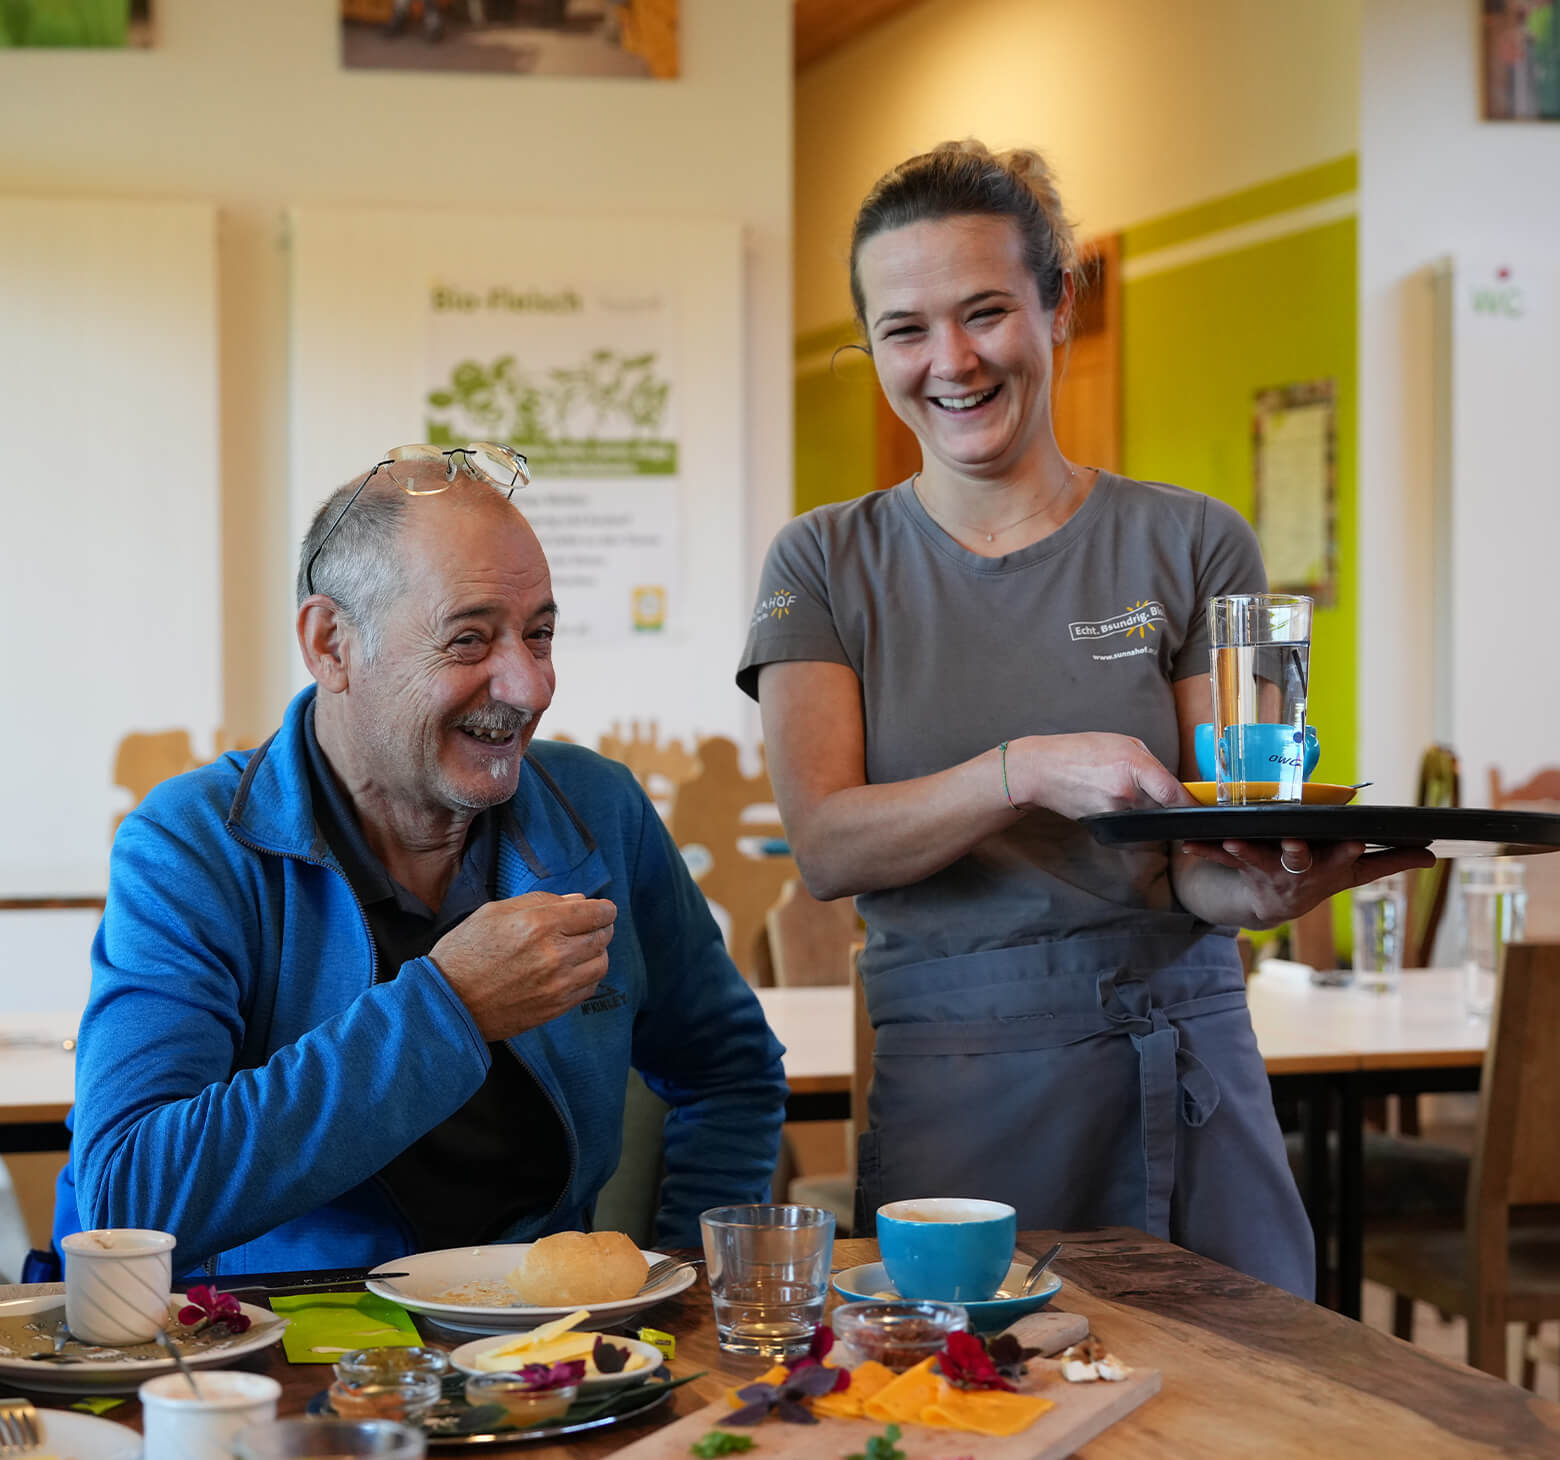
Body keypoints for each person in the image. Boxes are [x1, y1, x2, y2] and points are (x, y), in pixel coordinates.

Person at [737, 141, 1432, 1299]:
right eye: (905, 329)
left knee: (1250, 1397)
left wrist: (1253, 891)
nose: (949, 361)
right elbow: (828, 844)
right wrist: (1020, 770)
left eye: (986, 311)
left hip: (1189, 1052)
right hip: (964, 1089)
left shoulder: (1195, 542)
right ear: (873, 351)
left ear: (1058, 305)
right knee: (971, 1400)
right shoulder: (822, 562)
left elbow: (1200, 861)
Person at [51, 443, 787, 1276]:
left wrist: (689, 1273)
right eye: (470, 641)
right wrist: (451, 1009)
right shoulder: (193, 844)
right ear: (331, 644)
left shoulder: (601, 813)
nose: (530, 685)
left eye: (539, 635)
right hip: (289, 1348)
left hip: (551, 1348)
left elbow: (731, 1072)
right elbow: (127, 1194)